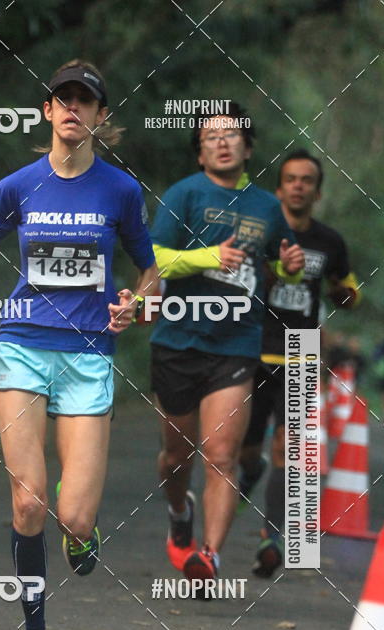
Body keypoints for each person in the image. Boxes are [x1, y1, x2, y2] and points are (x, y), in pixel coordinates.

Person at [0, 60, 159, 630]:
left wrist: (136, 303)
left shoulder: (120, 191)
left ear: (98, 116)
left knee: (77, 517)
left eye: (84, 100)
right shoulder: (18, 185)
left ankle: (82, 537)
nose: (72, 107)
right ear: (47, 111)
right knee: (28, 500)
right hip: (22, 346)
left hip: (89, 355)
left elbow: (150, 271)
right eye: (62, 98)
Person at [148, 105, 304, 596]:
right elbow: (154, 260)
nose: (222, 142)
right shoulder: (183, 194)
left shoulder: (267, 207)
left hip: (236, 345)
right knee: (176, 458)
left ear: (248, 147)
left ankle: (209, 554)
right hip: (177, 341)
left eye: (232, 135)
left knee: (221, 454)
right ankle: (180, 512)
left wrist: (292, 267)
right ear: (200, 151)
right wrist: (208, 256)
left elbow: (277, 270)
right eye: (211, 136)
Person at [239, 148, 360, 576]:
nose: (298, 186)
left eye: (306, 180)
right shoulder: (259, 234)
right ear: (279, 189)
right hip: (253, 348)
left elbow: (345, 287)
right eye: (291, 178)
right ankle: (247, 475)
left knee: (287, 449)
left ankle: (271, 538)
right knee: (248, 451)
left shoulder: (329, 241)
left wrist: (343, 296)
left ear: (317, 191)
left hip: (303, 351)